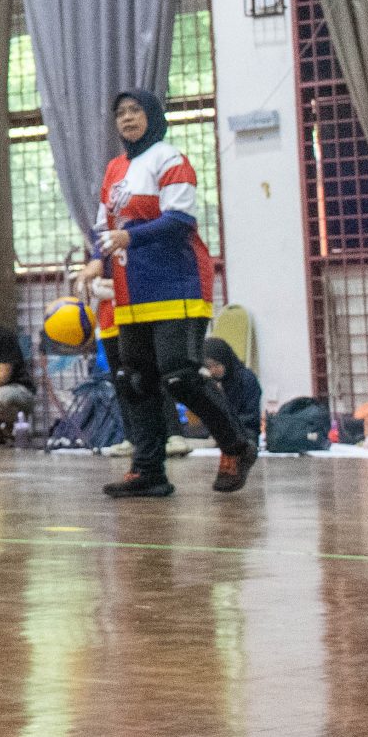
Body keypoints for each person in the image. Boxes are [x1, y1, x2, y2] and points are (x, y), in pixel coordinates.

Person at [86, 89, 256, 498]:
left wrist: (129, 237)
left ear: (153, 116)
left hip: (177, 282)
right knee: (134, 378)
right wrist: (95, 260)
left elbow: (179, 221)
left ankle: (237, 445)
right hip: (131, 288)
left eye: (135, 110)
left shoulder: (170, 159)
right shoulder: (114, 169)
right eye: (121, 113)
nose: (127, 118)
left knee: (179, 375)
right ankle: (149, 471)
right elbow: (103, 227)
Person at [203, 336, 264, 447]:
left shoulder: (246, 379)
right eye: (208, 367)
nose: (213, 370)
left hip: (245, 432)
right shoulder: (210, 382)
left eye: (217, 365)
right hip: (218, 433)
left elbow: (251, 417)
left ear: (226, 361)